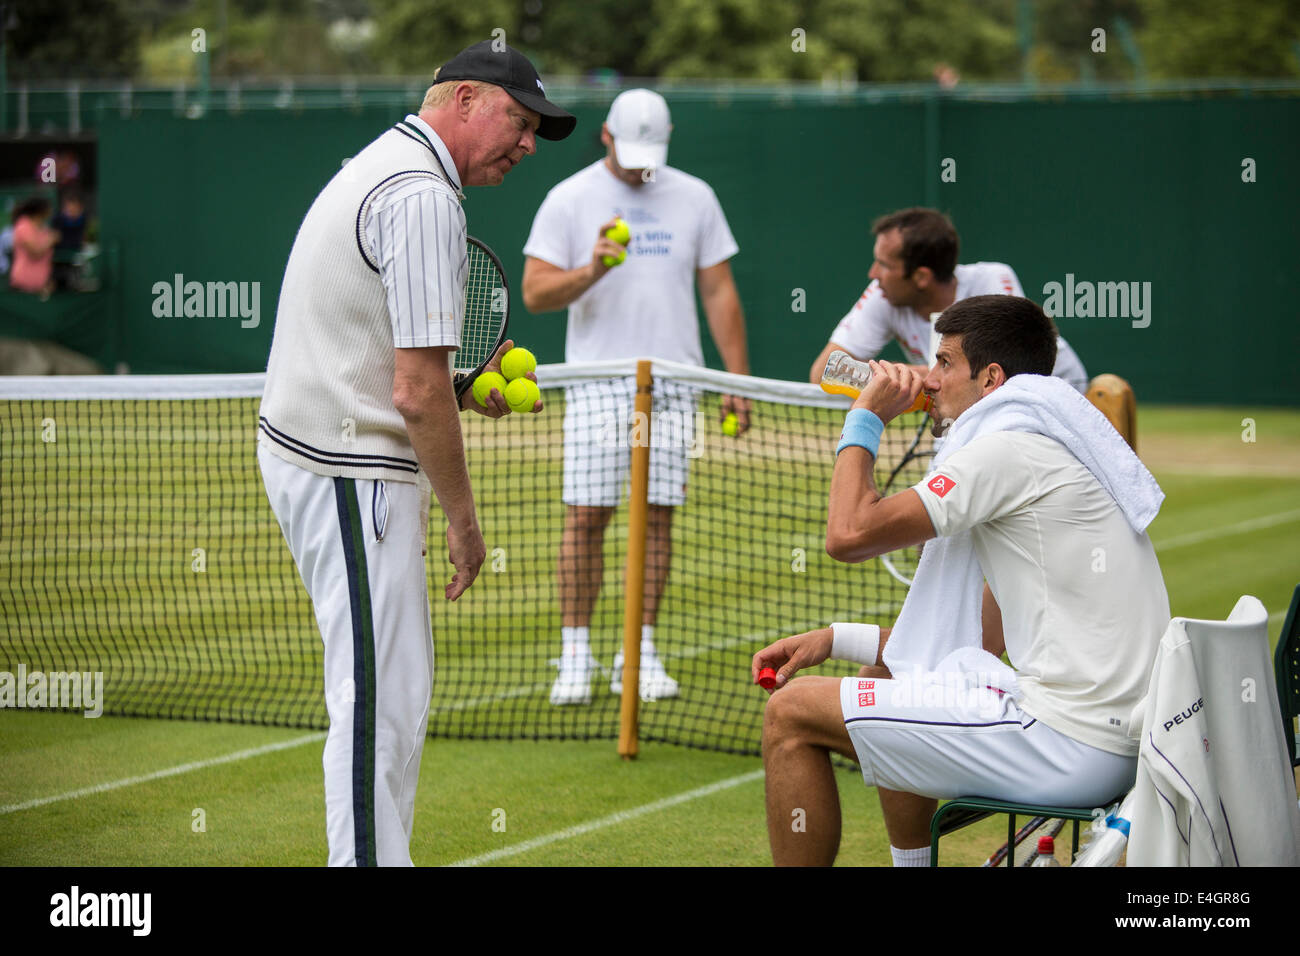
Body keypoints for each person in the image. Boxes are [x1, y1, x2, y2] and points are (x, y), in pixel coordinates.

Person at [257, 40, 575, 867]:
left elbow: (415, 370)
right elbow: (415, 392)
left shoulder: (391, 166)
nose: (530, 143)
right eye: (521, 119)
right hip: (346, 466)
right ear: (465, 100)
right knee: (377, 703)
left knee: (389, 695)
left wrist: (463, 387)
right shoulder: (422, 195)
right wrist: (465, 522)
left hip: (326, 457)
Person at [756, 294, 1169, 867]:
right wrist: (835, 638)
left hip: (1071, 744)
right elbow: (975, 637)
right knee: (907, 677)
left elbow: (847, 534)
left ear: (991, 378)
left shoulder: (1005, 450)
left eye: (945, 362)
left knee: (790, 713)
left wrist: (866, 417)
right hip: (1118, 743)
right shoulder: (1048, 445)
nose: (930, 378)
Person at [521, 88, 752, 705]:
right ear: (604, 137)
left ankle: (640, 653)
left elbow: (719, 292)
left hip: (675, 386)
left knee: (657, 519)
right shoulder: (568, 199)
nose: (639, 163)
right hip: (599, 384)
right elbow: (536, 293)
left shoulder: (696, 196)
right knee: (585, 517)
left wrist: (735, 381)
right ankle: (575, 655)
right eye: (627, 152)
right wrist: (593, 268)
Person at [808, 208, 1089, 392]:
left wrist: (904, 376)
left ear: (921, 277)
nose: (873, 274)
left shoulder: (994, 280)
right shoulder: (883, 292)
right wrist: (895, 378)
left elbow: (1001, 373)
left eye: (884, 265)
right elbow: (824, 371)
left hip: (1060, 391)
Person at [8, 196, 60, 297]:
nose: (51, 211)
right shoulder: (23, 227)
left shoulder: (43, 228)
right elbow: (35, 252)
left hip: (42, 286)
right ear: (40, 211)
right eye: (49, 208)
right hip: (23, 285)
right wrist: (51, 240)